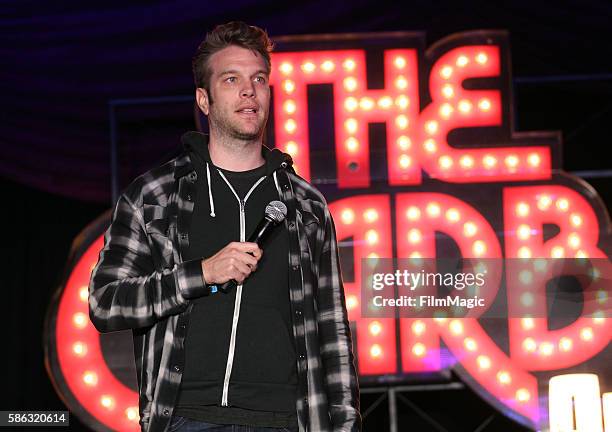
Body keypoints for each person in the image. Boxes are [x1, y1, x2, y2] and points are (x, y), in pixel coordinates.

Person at [89, 21, 360, 432]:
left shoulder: (306, 206)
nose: (249, 90)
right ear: (204, 99)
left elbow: (333, 333)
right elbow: (105, 303)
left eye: (259, 80)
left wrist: (345, 425)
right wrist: (200, 274)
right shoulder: (155, 194)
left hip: (286, 420)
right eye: (231, 79)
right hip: (185, 417)